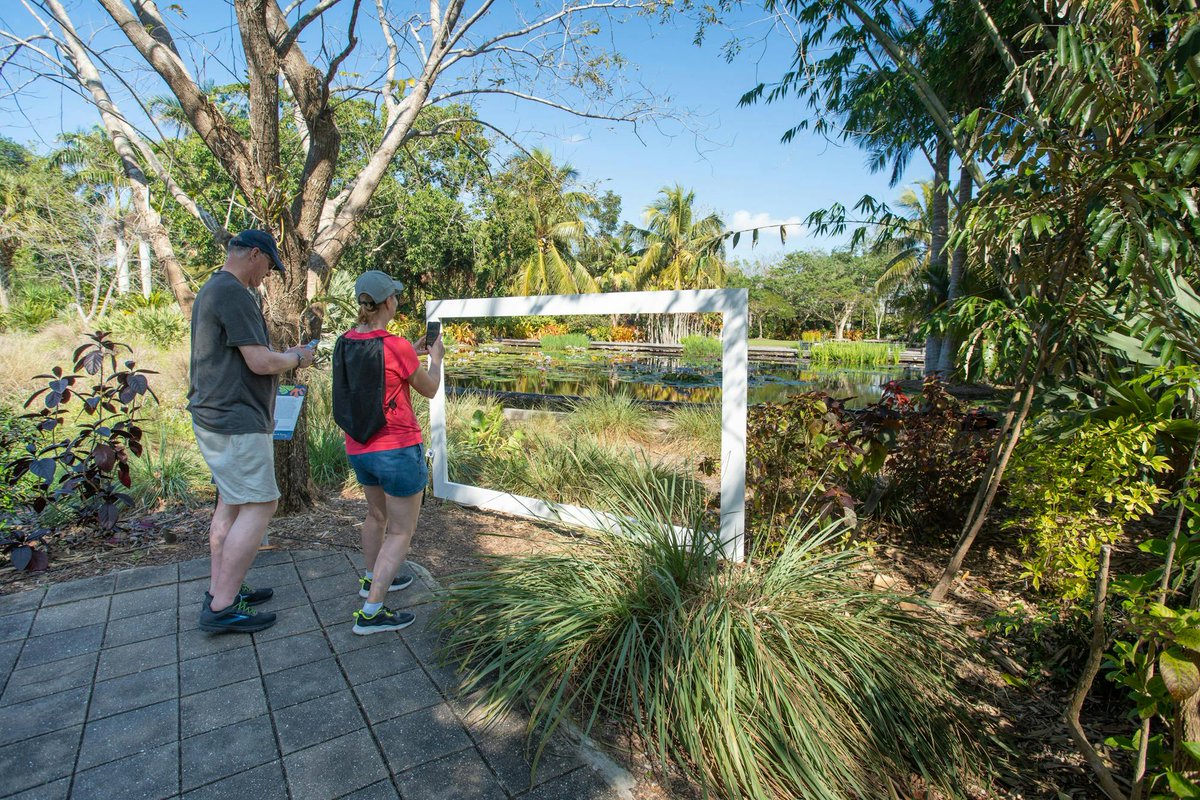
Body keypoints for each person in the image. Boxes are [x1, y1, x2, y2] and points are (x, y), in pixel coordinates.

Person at [188, 229, 316, 633]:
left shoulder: (215, 288)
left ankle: (221, 589)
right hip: (235, 420)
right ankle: (223, 607)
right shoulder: (233, 293)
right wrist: (298, 357)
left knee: (232, 503)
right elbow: (260, 362)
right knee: (261, 504)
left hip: (219, 415)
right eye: (269, 266)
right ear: (254, 255)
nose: (269, 275)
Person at [333, 270, 443, 635]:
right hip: (396, 450)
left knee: (376, 517)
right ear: (388, 303)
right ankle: (372, 611)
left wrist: (411, 350)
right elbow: (429, 389)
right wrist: (436, 358)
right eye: (395, 297)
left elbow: (376, 363)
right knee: (400, 532)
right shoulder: (394, 346)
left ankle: (371, 579)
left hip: (359, 449)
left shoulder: (346, 341)